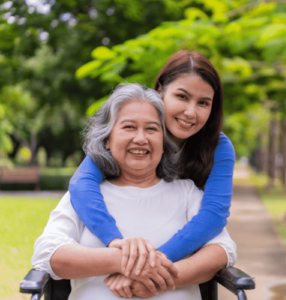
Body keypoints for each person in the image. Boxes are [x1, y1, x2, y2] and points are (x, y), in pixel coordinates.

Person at [31, 83, 237, 299]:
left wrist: (155, 280)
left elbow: (222, 249)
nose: (141, 138)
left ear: (164, 141)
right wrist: (122, 260)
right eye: (129, 127)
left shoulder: (186, 193)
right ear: (108, 139)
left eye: (151, 129)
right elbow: (47, 253)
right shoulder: (86, 196)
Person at [68, 50, 235, 279]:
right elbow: (81, 183)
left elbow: (214, 214)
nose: (190, 112)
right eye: (182, 97)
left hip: (177, 255)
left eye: (203, 103)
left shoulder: (219, 147)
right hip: (122, 235)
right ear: (160, 92)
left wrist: (149, 264)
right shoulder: (131, 136)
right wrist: (115, 243)